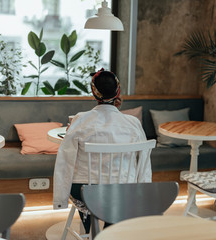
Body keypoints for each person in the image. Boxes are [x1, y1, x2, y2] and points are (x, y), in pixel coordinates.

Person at [53, 68, 151, 233]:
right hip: (123, 191)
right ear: (118, 92)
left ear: (94, 92)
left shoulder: (79, 120)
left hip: (87, 192)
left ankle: (92, 231)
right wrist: (142, 195)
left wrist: (60, 199)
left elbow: (65, 161)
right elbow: (143, 163)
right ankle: (109, 230)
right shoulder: (133, 123)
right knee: (112, 193)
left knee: (86, 187)